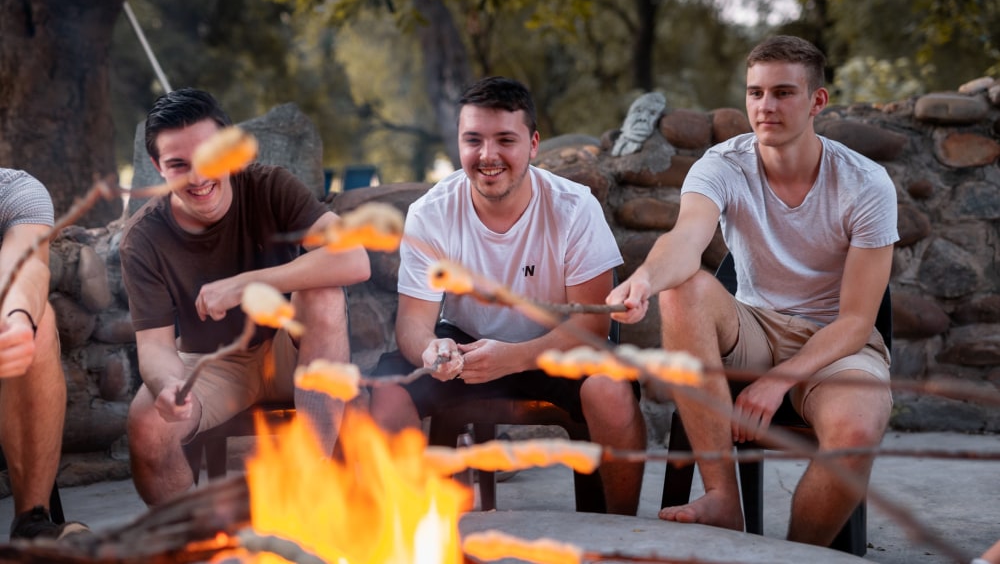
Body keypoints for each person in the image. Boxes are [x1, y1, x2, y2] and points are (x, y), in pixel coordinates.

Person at [608, 35, 897, 545]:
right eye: (755, 92)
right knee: (682, 292)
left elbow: (856, 322)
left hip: (836, 343)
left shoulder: (865, 184)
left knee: (855, 434)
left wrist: (779, 380)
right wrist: (645, 280)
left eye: (783, 93)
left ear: (817, 101)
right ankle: (723, 498)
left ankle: (799, 556)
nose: (766, 106)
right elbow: (686, 240)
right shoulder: (722, 164)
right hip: (756, 327)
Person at [369, 76, 646, 515]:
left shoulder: (574, 207)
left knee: (610, 387)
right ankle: (411, 530)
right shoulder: (431, 213)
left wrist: (514, 357)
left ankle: (623, 529)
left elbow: (593, 325)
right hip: (466, 343)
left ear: (533, 144)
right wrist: (430, 351)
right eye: (473, 140)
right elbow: (412, 324)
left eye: (505, 140)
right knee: (388, 389)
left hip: (558, 342)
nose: (488, 155)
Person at [120, 89, 370, 506]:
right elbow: (155, 347)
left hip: (293, 352)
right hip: (211, 365)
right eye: (178, 165)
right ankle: (193, 537)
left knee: (324, 291)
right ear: (157, 166)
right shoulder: (143, 238)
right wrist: (168, 385)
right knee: (146, 424)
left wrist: (247, 284)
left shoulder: (270, 186)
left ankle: (310, 490)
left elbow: (354, 258)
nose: (198, 178)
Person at [0, 170, 85, 540]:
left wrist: (16, 317)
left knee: (39, 320)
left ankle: (32, 523)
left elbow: (25, 267)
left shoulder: (15, 191)